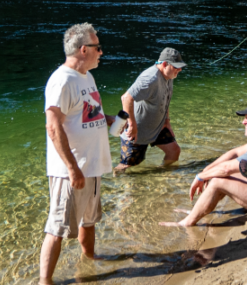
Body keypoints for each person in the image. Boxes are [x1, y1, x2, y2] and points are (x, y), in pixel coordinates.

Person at [40, 23, 114, 285]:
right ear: (84, 49)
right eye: (97, 47)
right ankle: (44, 281)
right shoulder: (62, 80)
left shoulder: (87, 76)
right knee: (57, 228)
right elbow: (52, 125)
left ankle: (89, 263)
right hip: (71, 170)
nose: (101, 52)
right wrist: (72, 168)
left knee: (89, 221)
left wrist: (113, 120)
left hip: (92, 166)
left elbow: (89, 113)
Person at [158, 101, 247, 227]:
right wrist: (206, 170)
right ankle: (199, 211)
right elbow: (235, 152)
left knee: (217, 181)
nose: (243, 121)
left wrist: (201, 177)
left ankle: (187, 223)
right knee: (218, 174)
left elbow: (227, 168)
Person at [115, 47, 186, 173]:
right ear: (164, 64)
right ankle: (117, 185)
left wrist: (167, 122)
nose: (179, 69)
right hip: (138, 131)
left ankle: (158, 176)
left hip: (157, 127)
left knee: (174, 151)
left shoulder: (168, 76)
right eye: (176, 66)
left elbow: (165, 99)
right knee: (126, 166)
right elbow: (126, 98)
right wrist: (132, 125)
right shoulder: (150, 78)